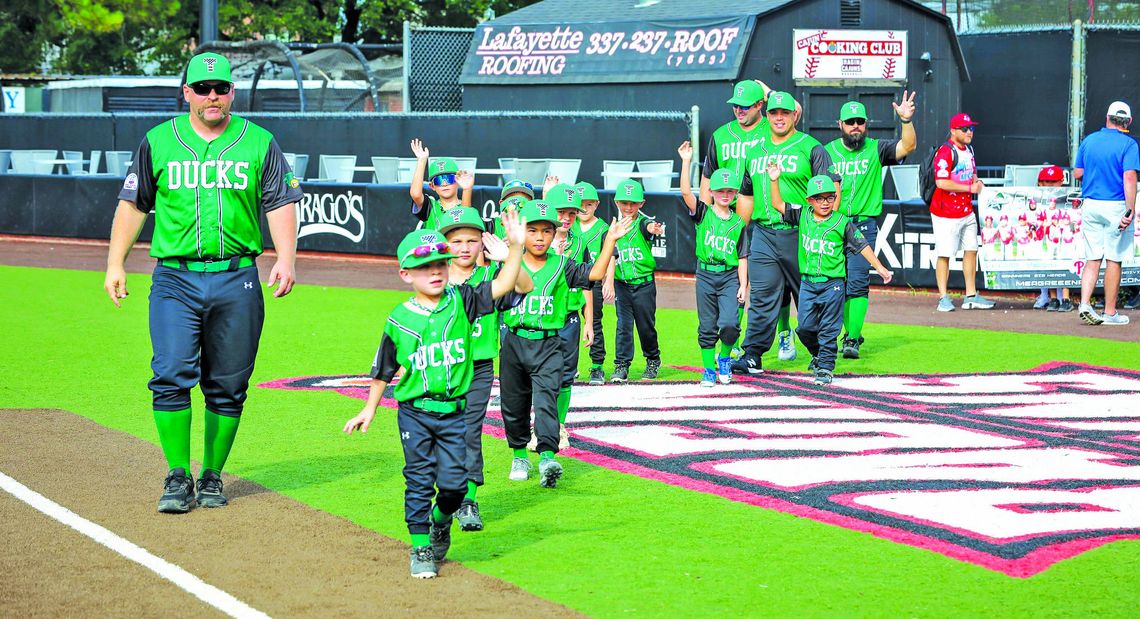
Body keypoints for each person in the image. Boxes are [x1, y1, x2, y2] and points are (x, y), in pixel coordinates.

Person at [103, 52, 303, 513]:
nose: (212, 96)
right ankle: (177, 474)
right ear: (186, 92)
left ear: (231, 93)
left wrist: (286, 259)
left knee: (229, 384)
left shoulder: (259, 142)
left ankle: (212, 475)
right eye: (202, 88)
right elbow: (134, 205)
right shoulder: (158, 141)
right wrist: (116, 263)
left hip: (237, 278)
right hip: (176, 278)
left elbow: (280, 202)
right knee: (170, 373)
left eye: (220, 89)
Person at [343, 216, 531, 579]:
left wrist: (515, 246)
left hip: (454, 413)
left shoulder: (464, 300)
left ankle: (440, 523)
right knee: (418, 480)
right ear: (405, 274)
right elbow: (384, 369)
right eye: (424, 266)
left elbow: (508, 282)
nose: (435, 272)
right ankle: (421, 547)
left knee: (455, 487)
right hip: (415, 413)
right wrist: (369, 408)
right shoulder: (399, 319)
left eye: (440, 264)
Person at [501, 200, 631, 487]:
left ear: (554, 234)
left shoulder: (562, 264)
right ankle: (520, 455)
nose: (539, 237)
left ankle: (547, 457)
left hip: (548, 344)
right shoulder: (510, 262)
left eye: (546, 231)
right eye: (532, 230)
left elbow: (594, 274)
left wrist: (610, 239)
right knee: (514, 403)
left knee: (547, 400)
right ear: (522, 232)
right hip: (514, 341)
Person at [438, 207, 532, 533]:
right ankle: (447, 494)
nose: (464, 247)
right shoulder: (434, 278)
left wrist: (511, 255)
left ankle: (468, 499)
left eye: (472, 240)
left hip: (477, 368)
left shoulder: (491, 277)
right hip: (440, 368)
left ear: (483, 243)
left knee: (468, 431)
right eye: (456, 240)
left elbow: (525, 286)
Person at [734, 91, 839, 375]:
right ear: (767, 116)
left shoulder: (811, 147)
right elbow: (746, 195)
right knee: (763, 296)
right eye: (773, 113)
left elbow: (832, 191)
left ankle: (820, 351)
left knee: (807, 296)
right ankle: (753, 354)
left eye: (785, 112)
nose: (779, 117)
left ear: (795, 115)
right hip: (764, 234)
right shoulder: (754, 151)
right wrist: (736, 232)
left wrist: (824, 228)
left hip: (800, 233)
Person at [765, 166, 893, 385]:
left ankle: (825, 366)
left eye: (829, 197)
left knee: (829, 329)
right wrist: (774, 180)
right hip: (808, 283)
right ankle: (818, 355)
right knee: (804, 327)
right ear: (810, 200)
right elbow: (778, 204)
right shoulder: (803, 214)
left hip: (832, 285)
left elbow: (862, 246)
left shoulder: (842, 222)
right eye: (819, 198)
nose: (825, 202)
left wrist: (879, 267)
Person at [702, 79, 797, 363]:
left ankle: (783, 331)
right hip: (730, 216)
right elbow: (707, 179)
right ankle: (736, 345)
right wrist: (710, 220)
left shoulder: (774, 126)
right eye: (735, 105)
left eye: (745, 105)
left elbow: (794, 110)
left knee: (777, 284)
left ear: (760, 106)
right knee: (739, 282)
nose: (739, 110)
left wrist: (771, 93)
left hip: (768, 214)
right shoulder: (720, 135)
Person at [824, 94, 917, 359]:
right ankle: (850, 331)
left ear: (866, 124)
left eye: (860, 122)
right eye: (850, 121)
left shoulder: (876, 148)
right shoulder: (827, 151)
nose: (855, 126)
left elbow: (907, 146)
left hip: (863, 224)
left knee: (857, 282)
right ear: (840, 123)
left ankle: (852, 338)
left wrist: (906, 120)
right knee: (836, 283)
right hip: (833, 225)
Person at [679, 141, 748, 386]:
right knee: (707, 326)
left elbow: (742, 257)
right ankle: (709, 369)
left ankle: (725, 357)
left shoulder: (738, 223)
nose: (725, 195)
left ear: (735, 193)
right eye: (720, 190)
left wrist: (743, 285)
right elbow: (686, 194)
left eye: (730, 191)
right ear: (712, 192)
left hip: (729, 276)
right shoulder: (704, 213)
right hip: (706, 275)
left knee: (730, 323)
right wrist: (686, 161)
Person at [1073, 100, 1139, 326]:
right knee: (1113, 259)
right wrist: (1130, 210)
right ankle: (1110, 313)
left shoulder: (1089, 140)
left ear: (1107, 118)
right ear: (1128, 122)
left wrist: (1096, 172)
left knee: (1092, 258)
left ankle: (1084, 303)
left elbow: (1078, 171)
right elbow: (1129, 177)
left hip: (1091, 204)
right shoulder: (1129, 144)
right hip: (1115, 205)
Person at [930, 112, 996, 312]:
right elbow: (941, 182)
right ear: (953, 131)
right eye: (965, 129)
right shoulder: (945, 151)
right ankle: (943, 297)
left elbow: (972, 174)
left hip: (966, 211)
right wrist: (969, 188)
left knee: (971, 250)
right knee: (945, 254)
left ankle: (970, 295)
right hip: (945, 213)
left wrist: (976, 183)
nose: (969, 132)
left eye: (971, 129)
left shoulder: (969, 150)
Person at [607, 178, 666, 382]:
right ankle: (621, 365)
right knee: (623, 325)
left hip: (643, 284)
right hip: (622, 285)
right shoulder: (613, 227)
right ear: (617, 202)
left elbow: (648, 226)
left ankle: (652, 359)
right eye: (624, 203)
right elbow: (610, 255)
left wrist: (653, 228)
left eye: (633, 203)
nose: (629, 207)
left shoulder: (642, 222)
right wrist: (608, 282)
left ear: (641, 203)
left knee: (645, 326)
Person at [572, 181, 611, 384]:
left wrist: (609, 281)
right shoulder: (569, 225)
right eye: (580, 204)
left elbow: (610, 255)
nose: (584, 209)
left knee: (593, 322)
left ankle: (597, 366)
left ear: (596, 204)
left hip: (592, 281)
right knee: (566, 323)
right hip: (568, 282)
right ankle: (570, 366)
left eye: (589, 204)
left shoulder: (603, 227)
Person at [1033, 165, 1074, 312]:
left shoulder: (1066, 198)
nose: (1049, 185)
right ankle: (1053, 299)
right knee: (1048, 263)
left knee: (1064, 263)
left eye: (1053, 181)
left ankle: (1066, 298)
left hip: (1063, 237)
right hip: (1047, 237)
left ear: (1061, 181)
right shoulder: (1038, 201)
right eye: (1046, 181)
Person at [408, 139, 473, 231]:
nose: (445, 183)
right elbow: (416, 194)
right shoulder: (431, 207)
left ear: (458, 181)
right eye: (439, 180)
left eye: (449, 179)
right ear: (432, 186)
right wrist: (422, 161)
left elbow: (465, 217)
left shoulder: (465, 204)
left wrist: (467, 189)